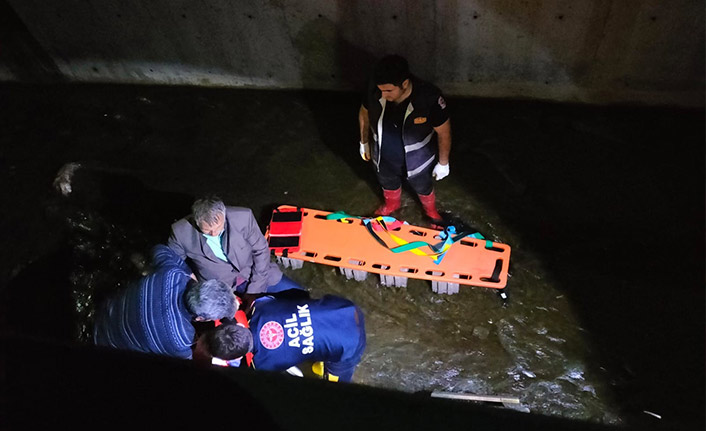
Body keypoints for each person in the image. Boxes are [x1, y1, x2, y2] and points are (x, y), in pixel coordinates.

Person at [94, 244, 238, 359]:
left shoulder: (172, 274)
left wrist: (188, 273)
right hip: (106, 345)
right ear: (201, 318)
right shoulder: (181, 341)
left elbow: (159, 249)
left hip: (104, 312)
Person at [358, 55, 451, 224]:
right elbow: (364, 113)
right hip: (384, 157)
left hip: (418, 161)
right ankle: (391, 205)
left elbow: (444, 132)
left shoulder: (429, 98)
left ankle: (431, 212)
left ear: (405, 84)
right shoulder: (375, 90)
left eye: (388, 91)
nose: (383, 95)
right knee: (387, 182)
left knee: (423, 187)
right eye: (381, 90)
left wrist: (443, 163)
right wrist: (363, 142)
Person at [200, 292, 366, 383]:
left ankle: (327, 363)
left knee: (335, 385)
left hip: (351, 343)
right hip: (344, 307)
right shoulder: (260, 308)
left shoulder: (264, 363)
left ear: (237, 356)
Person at [168, 197, 301, 305]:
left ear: (224, 215)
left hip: (256, 273)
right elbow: (173, 266)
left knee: (300, 295)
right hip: (218, 290)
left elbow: (261, 250)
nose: (214, 234)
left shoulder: (243, 218)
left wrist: (254, 290)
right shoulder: (180, 233)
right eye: (207, 231)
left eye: (218, 227)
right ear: (196, 222)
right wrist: (195, 284)